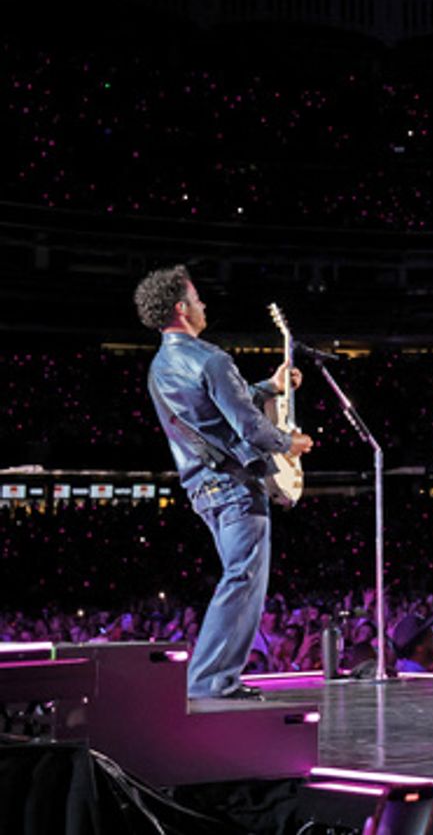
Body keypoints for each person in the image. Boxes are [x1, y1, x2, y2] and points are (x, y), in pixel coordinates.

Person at [135, 265, 313, 699]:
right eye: (197, 298)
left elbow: (214, 408)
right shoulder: (211, 358)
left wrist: (268, 387)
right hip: (234, 487)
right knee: (242, 578)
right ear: (182, 308)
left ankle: (212, 679)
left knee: (240, 577)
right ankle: (211, 681)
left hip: (203, 488)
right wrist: (288, 442)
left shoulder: (160, 367)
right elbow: (249, 427)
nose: (204, 304)